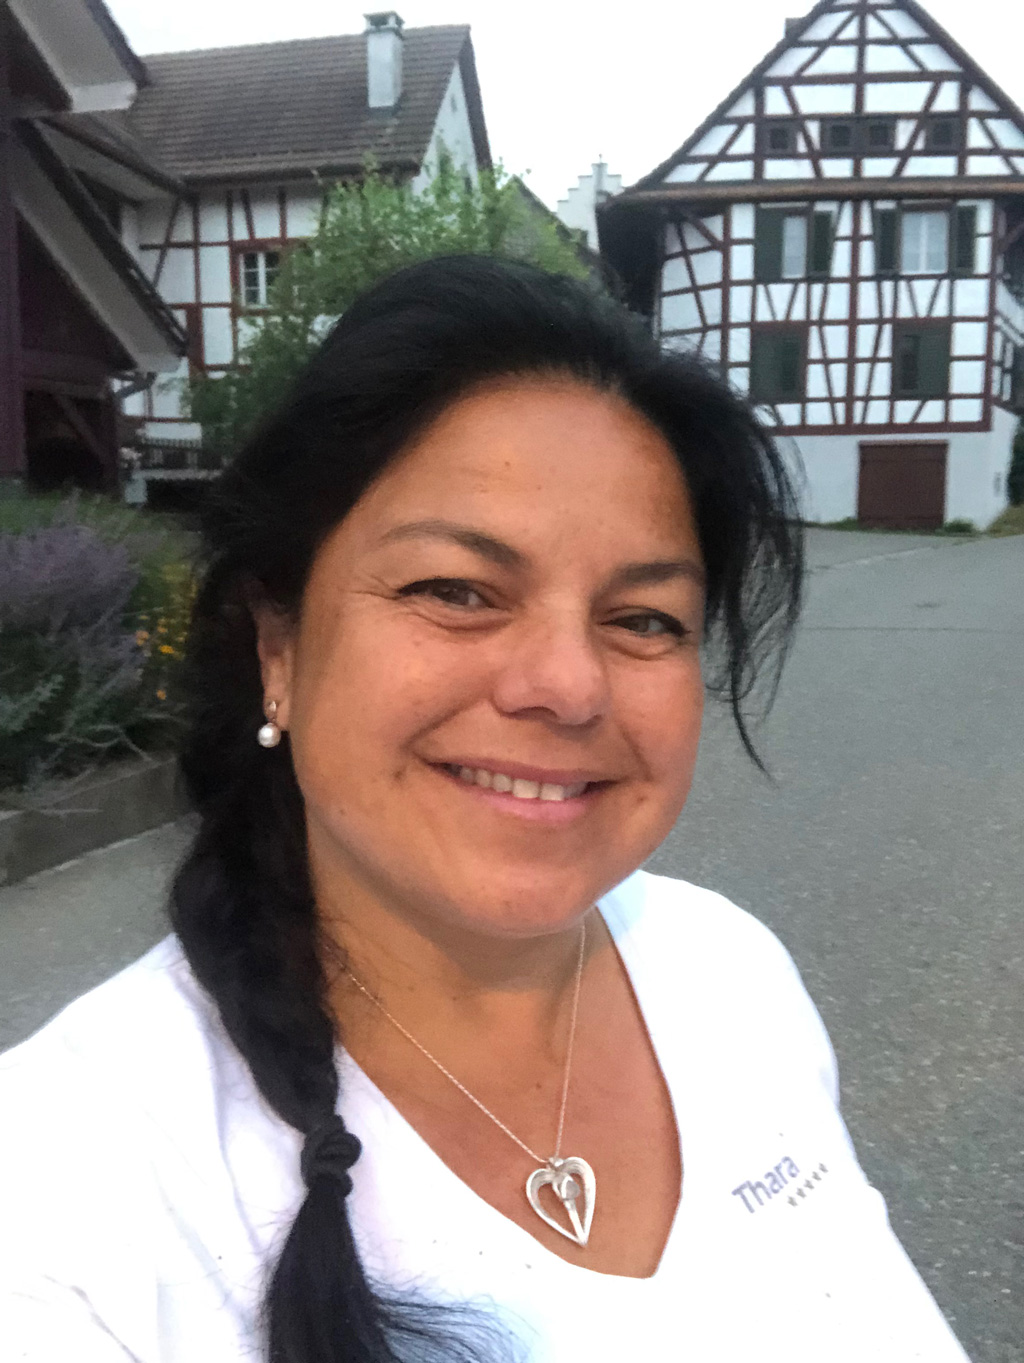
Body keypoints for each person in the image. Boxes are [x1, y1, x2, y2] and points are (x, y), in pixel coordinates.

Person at [0, 257, 970, 1363]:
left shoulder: (729, 974)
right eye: (454, 590)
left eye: (643, 618)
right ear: (278, 646)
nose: (568, 684)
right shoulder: (62, 1200)